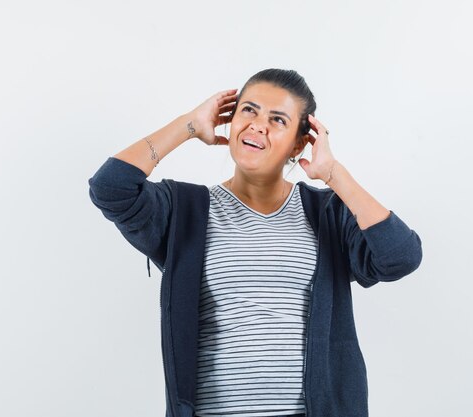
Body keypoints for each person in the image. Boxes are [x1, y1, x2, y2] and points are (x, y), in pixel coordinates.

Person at [88, 69, 423, 417]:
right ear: (230, 122)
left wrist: (333, 173)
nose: (258, 124)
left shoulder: (327, 214)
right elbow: (110, 187)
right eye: (248, 110)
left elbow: (401, 256)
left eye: (277, 119)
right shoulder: (184, 210)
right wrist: (188, 125)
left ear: (299, 143)